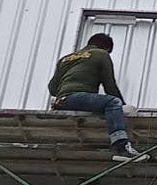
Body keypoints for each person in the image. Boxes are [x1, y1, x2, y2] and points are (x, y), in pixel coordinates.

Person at [47, 33, 145, 162]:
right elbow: (109, 85)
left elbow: (52, 88)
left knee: (103, 102)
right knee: (113, 102)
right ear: (107, 49)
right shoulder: (101, 54)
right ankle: (122, 147)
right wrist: (122, 108)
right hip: (76, 98)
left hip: (61, 100)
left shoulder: (65, 59)